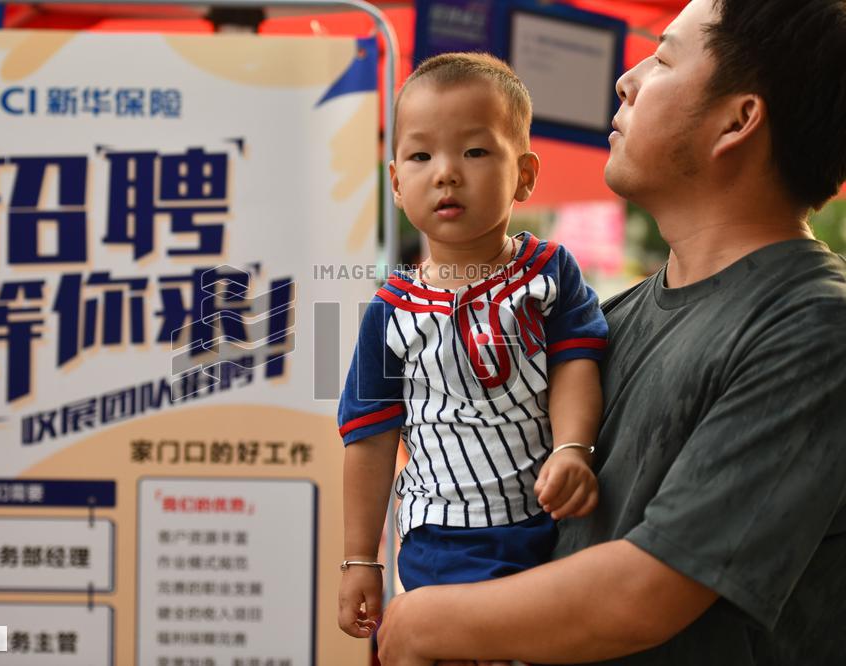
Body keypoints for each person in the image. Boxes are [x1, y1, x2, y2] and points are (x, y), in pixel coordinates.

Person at [375, 0, 846, 664]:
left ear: (737, 119)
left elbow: (642, 593)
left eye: (662, 56)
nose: (626, 79)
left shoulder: (812, 327)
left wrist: (424, 621)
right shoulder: (609, 321)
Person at [335, 52, 608, 656]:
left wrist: (572, 447)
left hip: (552, 521)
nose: (447, 173)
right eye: (422, 155)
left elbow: (576, 363)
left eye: (476, 152)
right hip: (443, 535)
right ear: (397, 181)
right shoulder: (388, 312)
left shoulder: (549, 273)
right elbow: (370, 440)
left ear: (526, 174)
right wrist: (361, 558)